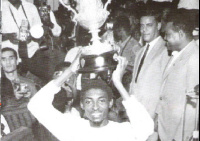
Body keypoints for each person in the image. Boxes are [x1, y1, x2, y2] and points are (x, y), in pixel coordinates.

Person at [28, 50, 154, 141]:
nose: (95, 107)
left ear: (110, 103)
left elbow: (147, 128)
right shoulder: (73, 129)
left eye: (101, 101)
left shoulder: (122, 131)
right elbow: (36, 105)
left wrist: (118, 83)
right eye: (88, 101)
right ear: (82, 105)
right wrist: (70, 71)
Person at [156, 13, 199, 141]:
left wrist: (186, 136)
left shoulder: (194, 57)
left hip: (179, 133)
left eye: (168, 34)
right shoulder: (177, 54)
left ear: (180, 33)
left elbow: (194, 103)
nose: (165, 38)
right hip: (167, 128)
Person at [129, 9, 170, 119]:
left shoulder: (166, 50)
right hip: (136, 112)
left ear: (159, 26)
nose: (144, 30)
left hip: (152, 115)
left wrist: (158, 116)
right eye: (141, 26)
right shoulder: (140, 52)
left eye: (149, 25)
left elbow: (166, 88)